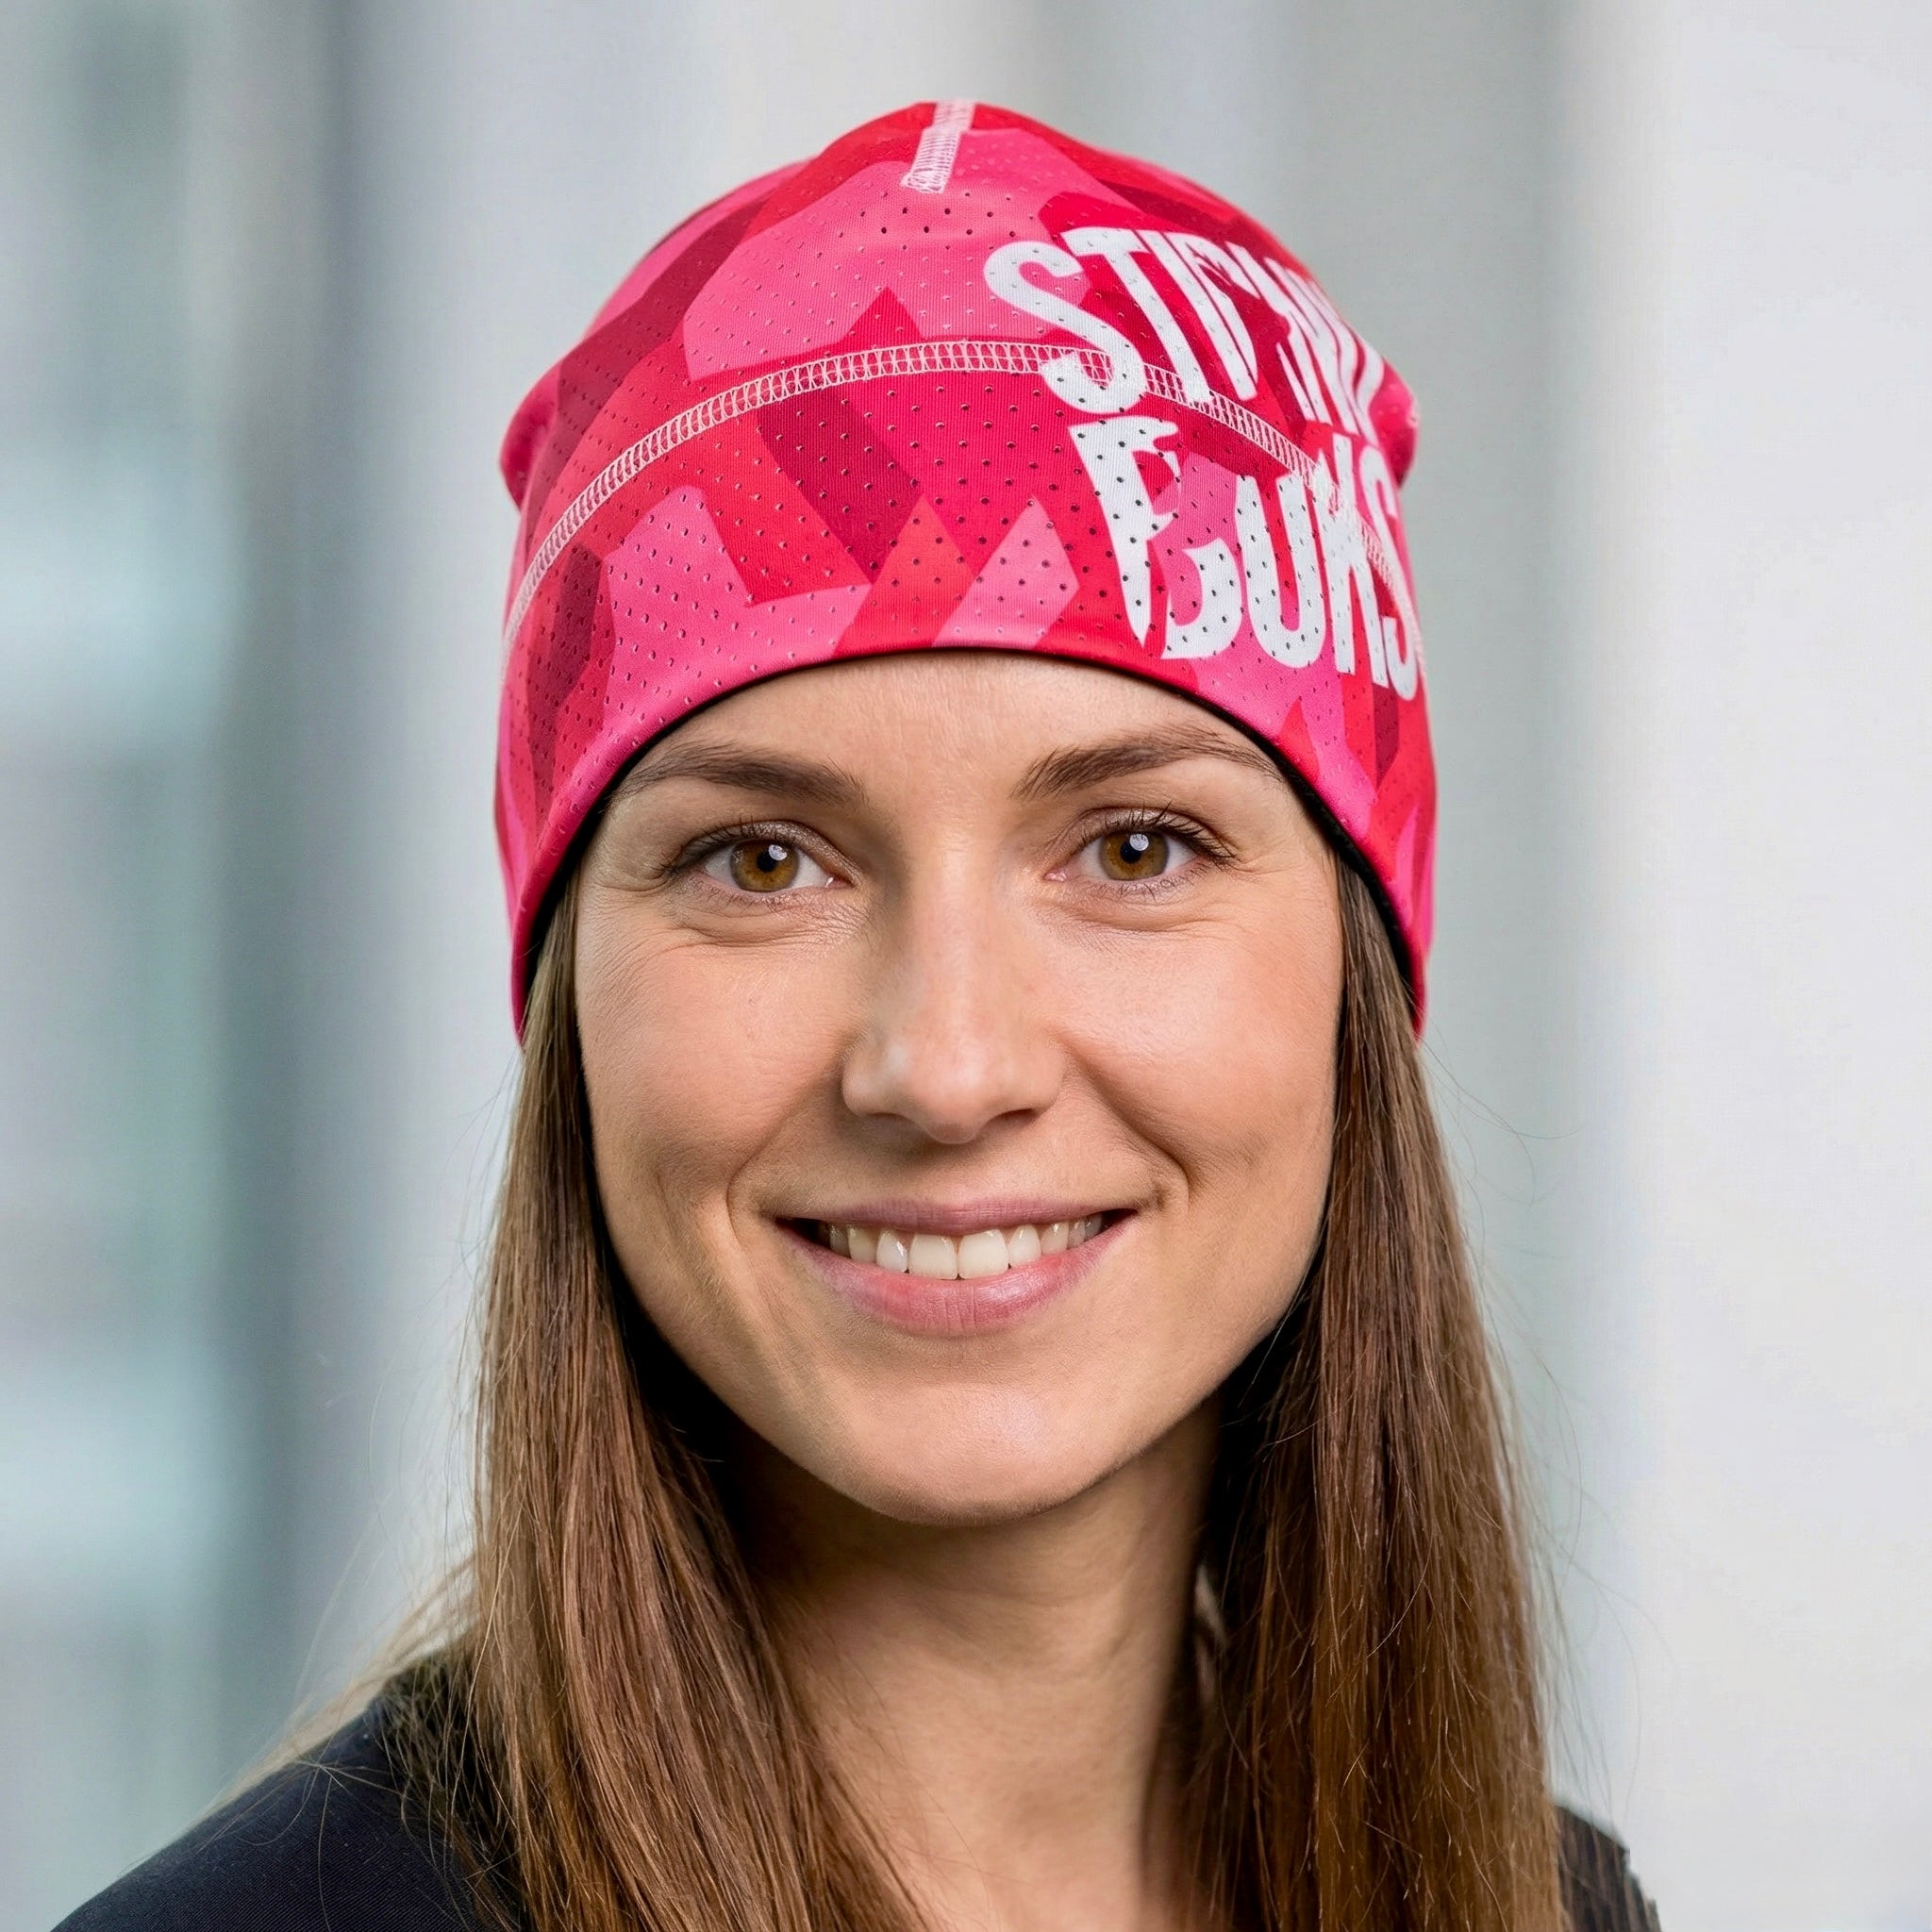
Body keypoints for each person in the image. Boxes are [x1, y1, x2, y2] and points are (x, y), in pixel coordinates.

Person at [59, 101, 1657, 1932]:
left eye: (1133, 847)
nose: (945, 1067)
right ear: (576, 1006)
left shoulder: (1543, 1903)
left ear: (1351, 981)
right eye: (762, 862)